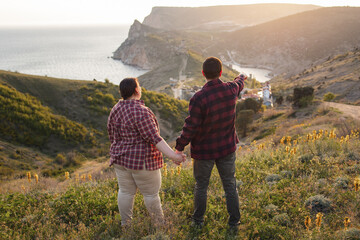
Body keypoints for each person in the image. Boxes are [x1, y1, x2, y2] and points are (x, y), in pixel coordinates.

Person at [175, 57, 247, 229]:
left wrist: (179, 147)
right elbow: (239, 83)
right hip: (227, 148)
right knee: (230, 184)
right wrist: (242, 76)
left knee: (201, 186)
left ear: (203, 74)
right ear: (221, 72)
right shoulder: (231, 89)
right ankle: (234, 222)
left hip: (204, 152)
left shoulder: (199, 98)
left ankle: (198, 222)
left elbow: (190, 127)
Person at [107, 77, 185, 226]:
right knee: (150, 195)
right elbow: (155, 139)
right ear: (137, 90)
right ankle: (159, 225)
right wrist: (174, 156)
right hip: (141, 162)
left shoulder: (115, 108)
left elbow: (112, 135)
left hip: (120, 160)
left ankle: (126, 225)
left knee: (125, 192)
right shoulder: (141, 111)